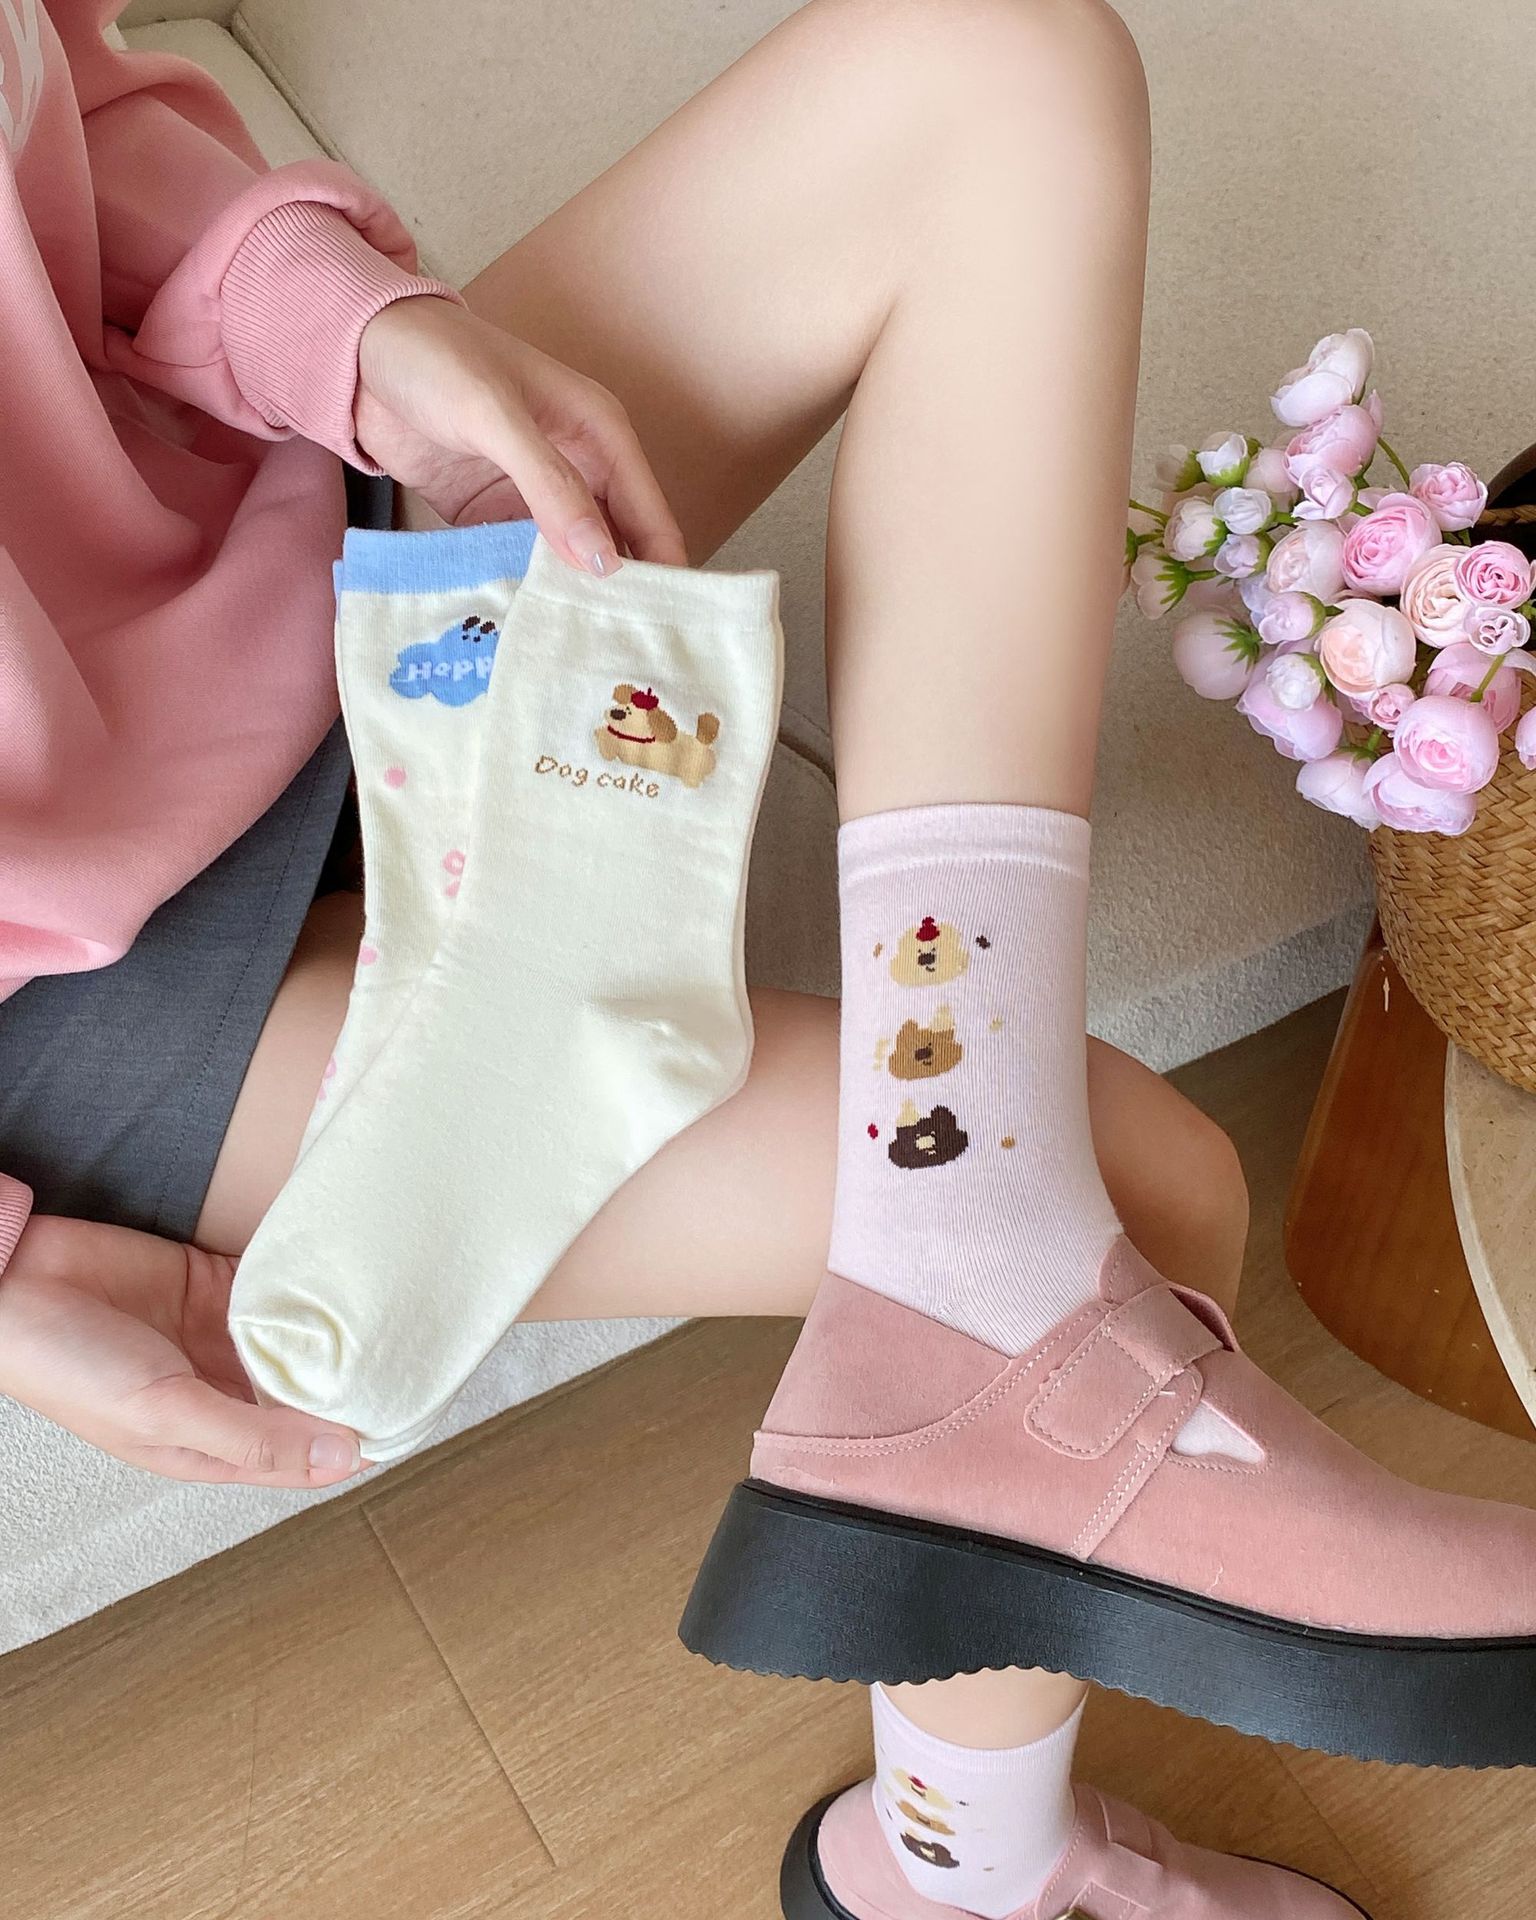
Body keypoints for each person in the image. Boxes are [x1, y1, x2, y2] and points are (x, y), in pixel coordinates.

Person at [5, 6, 1534, 1917]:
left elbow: (76, 107)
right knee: (1146, 1185)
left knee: (994, 66)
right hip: (68, 989)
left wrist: (351, 333)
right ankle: (963, 1872)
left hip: (242, 544)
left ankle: (973, 1257)